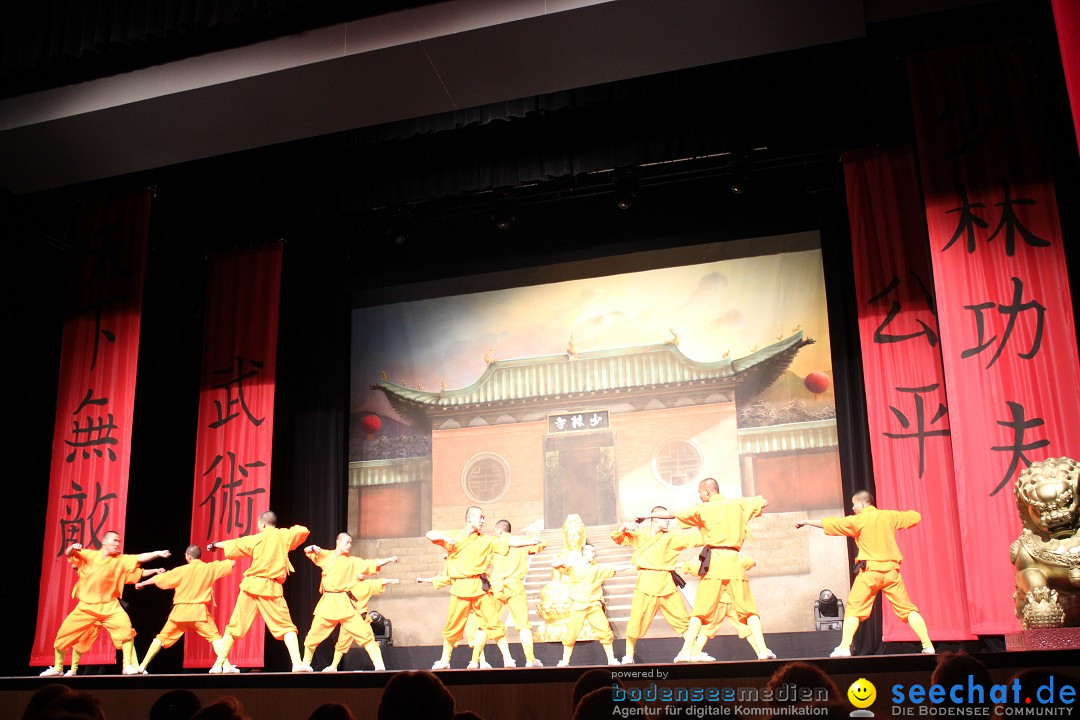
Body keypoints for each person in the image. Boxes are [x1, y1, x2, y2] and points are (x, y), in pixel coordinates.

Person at [645, 478, 775, 661]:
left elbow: (673, 513)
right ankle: (762, 650)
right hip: (734, 563)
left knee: (700, 612)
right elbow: (764, 502)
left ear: (707, 492)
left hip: (714, 564)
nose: (699, 496)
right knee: (748, 611)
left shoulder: (704, 509)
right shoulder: (738, 505)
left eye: (700, 492)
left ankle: (685, 652)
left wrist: (646, 516)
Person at [796, 490, 935, 656]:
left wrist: (806, 521)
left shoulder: (858, 520)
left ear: (862, 504)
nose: (853, 508)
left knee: (853, 609)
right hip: (891, 573)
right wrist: (913, 513)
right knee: (908, 610)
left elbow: (832, 524)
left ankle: (844, 647)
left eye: (854, 504)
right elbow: (915, 517)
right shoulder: (889, 516)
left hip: (869, 573)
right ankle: (928, 645)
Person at [40, 531, 169, 677]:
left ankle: (127, 665)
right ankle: (59, 668)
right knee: (64, 635)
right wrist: (72, 547)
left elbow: (139, 560)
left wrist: (157, 553)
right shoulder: (88, 556)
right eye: (114, 541)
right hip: (86, 607)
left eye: (119, 542)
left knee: (126, 630)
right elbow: (69, 553)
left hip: (110, 607)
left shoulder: (119, 561)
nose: (117, 544)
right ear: (104, 542)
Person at [426, 506, 540, 669]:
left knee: (493, 623)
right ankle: (445, 660)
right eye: (480, 517)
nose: (483, 520)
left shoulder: (486, 540)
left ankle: (507, 659)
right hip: (460, 589)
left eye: (483, 518)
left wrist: (529, 541)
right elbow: (429, 534)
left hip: (480, 588)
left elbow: (507, 541)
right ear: (469, 518)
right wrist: (445, 537)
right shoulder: (455, 536)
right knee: (453, 625)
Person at [206, 510, 311, 671]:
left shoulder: (256, 538)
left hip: (251, 586)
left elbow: (234, 543)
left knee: (234, 627)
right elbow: (303, 530)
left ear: (262, 524)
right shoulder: (283, 536)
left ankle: (218, 665)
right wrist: (283, 532)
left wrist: (214, 545)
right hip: (270, 588)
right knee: (286, 627)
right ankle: (297, 663)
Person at [611, 507, 700, 664]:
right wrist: (625, 527)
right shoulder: (642, 534)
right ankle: (629, 655)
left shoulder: (672, 537)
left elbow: (695, 538)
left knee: (682, 620)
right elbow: (617, 537)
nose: (668, 521)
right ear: (655, 519)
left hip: (666, 583)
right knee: (636, 621)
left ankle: (694, 651)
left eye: (668, 518)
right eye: (664, 518)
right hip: (646, 582)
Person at [300, 532, 398, 672]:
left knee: (365, 634)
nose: (349, 545)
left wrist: (388, 559)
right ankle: (305, 663)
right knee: (313, 634)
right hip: (328, 603)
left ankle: (379, 664)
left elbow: (371, 563)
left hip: (345, 604)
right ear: (338, 542)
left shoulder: (353, 561)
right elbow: (306, 550)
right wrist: (314, 547)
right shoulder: (326, 556)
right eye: (347, 542)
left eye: (351, 543)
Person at [134, 544, 236, 673]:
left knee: (160, 638)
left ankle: (142, 665)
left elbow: (160, 578)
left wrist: (143, 583)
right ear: (200, 556)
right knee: (215, 638)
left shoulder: (181, 570)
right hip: (199, 613)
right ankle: (225, 666)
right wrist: (223, 548)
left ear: (187, 556)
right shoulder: (209, 568)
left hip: (179, 613)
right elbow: (232, 563)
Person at [551, 542, 632, 667]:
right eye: (591, 552)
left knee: (604, 630)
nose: (593, 554)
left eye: (594, 552)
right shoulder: (573, 566)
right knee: (571, 634)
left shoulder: (597, 568)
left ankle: (611, 659)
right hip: (578, 605)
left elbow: (614, 567)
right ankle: (565, 660)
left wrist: (630, 565)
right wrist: (567, 560)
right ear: (584, 552)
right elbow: (555, 565)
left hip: (593, 605)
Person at [489, 519, 546, 667]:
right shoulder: (522, 542)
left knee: (489, 623)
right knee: (523, 625)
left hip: (497, 587)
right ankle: (530, 660)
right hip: (514, 586)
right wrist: (528, 542)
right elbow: (542, 544)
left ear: (499, 530)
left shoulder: (494, 543)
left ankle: (504, 659)